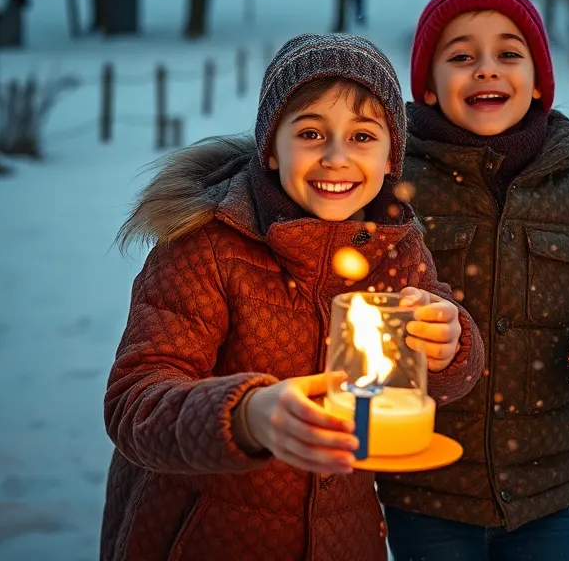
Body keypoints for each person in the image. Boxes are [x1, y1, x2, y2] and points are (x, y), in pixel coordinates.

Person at [100, 33, 484, 560]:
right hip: (207, 536)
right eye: (310, 132)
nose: (336, 157)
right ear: (271, 149)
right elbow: (134, 403)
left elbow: (443, 382)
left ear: (392, 157)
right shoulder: (208, 245)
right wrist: (246, 415)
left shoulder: (395, 246)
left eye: (363, 136)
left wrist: (450, 345)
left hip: (342, 537)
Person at [377, 0, 569, 560]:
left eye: (508, 53)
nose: (486, 69)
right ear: (427, 85)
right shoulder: (395, 185)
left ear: (537, 82)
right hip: (427, 490)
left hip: (542, 491)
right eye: (461, 56)